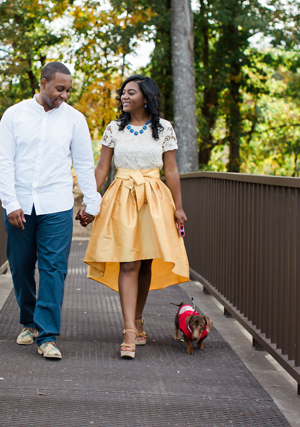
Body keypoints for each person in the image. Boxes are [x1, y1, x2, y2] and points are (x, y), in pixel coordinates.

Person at [0, 62, 102, 359]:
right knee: (21, 267)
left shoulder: (75, 120)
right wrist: (11, 203)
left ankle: (48, 335)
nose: (64, 95)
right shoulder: (14, 115)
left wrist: (92, 202)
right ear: (43, 84)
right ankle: (29, 322)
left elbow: (83, 164)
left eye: (68, 90)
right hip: (20, 206)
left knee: (54, 269)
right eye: (59, 89)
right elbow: (3, 162)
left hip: (57, 205)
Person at [78, 75, 190, 359]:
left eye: (130, 93)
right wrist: (90, 202)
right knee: (128, 263)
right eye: (122, 93)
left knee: (146, 264)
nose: (124, 97)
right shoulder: (115, 128)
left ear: (146, 97)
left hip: (154, 198)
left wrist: (178, 207)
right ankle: (129, 329)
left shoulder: (164, 128)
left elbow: (172, 170)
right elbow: (102, 168)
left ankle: (138, 319)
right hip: (123, 196)